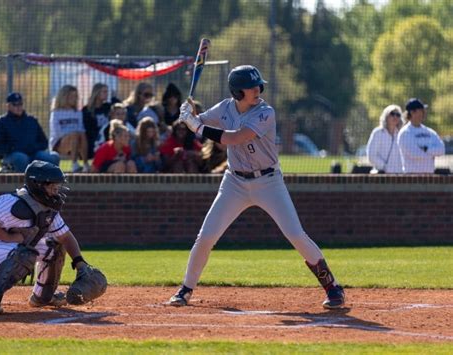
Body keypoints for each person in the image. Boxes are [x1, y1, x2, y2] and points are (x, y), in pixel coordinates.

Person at [169, 65, 345, 309]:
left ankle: (333, 287)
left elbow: (235, 137)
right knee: (207, 235)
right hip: (234, 182)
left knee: (295, 234)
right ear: (237, 92)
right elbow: (198, 122)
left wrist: (195, 125)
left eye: (258, 85)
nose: (258, 90)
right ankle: (185, 289)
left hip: (268, 182)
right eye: (251, 87)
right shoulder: (225, 108)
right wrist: (189, 113)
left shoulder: (265, 112)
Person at [0, 160, 106, 315]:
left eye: (57, 186)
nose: (56, 190)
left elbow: (65, 237)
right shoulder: (12, 201)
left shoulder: (47, 207)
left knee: (54, 247)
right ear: (37, 184)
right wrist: (7, 236)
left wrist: (80, 262)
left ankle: (42, 296)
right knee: (24, 255)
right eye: (51, 185)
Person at [0, 92, 60, 173]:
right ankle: (24, 184)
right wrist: (14, 148)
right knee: (21, 158)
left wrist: (32, 147)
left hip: (33, 153)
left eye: (20, 104)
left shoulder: (32, 120)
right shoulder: (2, 122)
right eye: (15, 104)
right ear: (8, 106)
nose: (18, 107)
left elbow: (44, 142)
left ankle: (49, 183)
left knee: (53, 157)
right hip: (11, 155)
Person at [49, 85, 90, 173]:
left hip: (76, 140)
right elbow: (56, 131)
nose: (74, 99)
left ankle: (85, 164)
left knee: (82, 134)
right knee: (74, 134)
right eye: (71, 96)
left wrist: (75, 133)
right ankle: (74, 164)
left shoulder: (77, 112)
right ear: (64, 97)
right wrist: (70, 133)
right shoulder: (56, 113)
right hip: (59, 144)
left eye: (76, 96)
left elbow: (81, 128)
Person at [398, 98, 445, 173]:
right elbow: (414, 154)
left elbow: (441, 150)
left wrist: (426, 149)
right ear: (412, 112)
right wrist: (431, 155)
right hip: (411, 177)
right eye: (420, 110)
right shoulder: (405, 132)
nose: (423, 113)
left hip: (429, 176)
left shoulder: (430, 132)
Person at [366, 104, 403, 173]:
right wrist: (385, 167)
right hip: (382, 175)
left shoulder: (401, 135)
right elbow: (371, 155)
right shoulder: (378, 133)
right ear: (385, 116)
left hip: (399, 175)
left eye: (398, 115)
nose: (395, 116)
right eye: (392, 114)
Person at [82, 83, 111, 160]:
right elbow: (88, 129)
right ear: (97, 93)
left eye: (107, 92)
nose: (107, 94)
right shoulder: (87, 110)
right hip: (94, 139)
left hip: (108, 135)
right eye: (104, 92)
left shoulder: (108, 107)